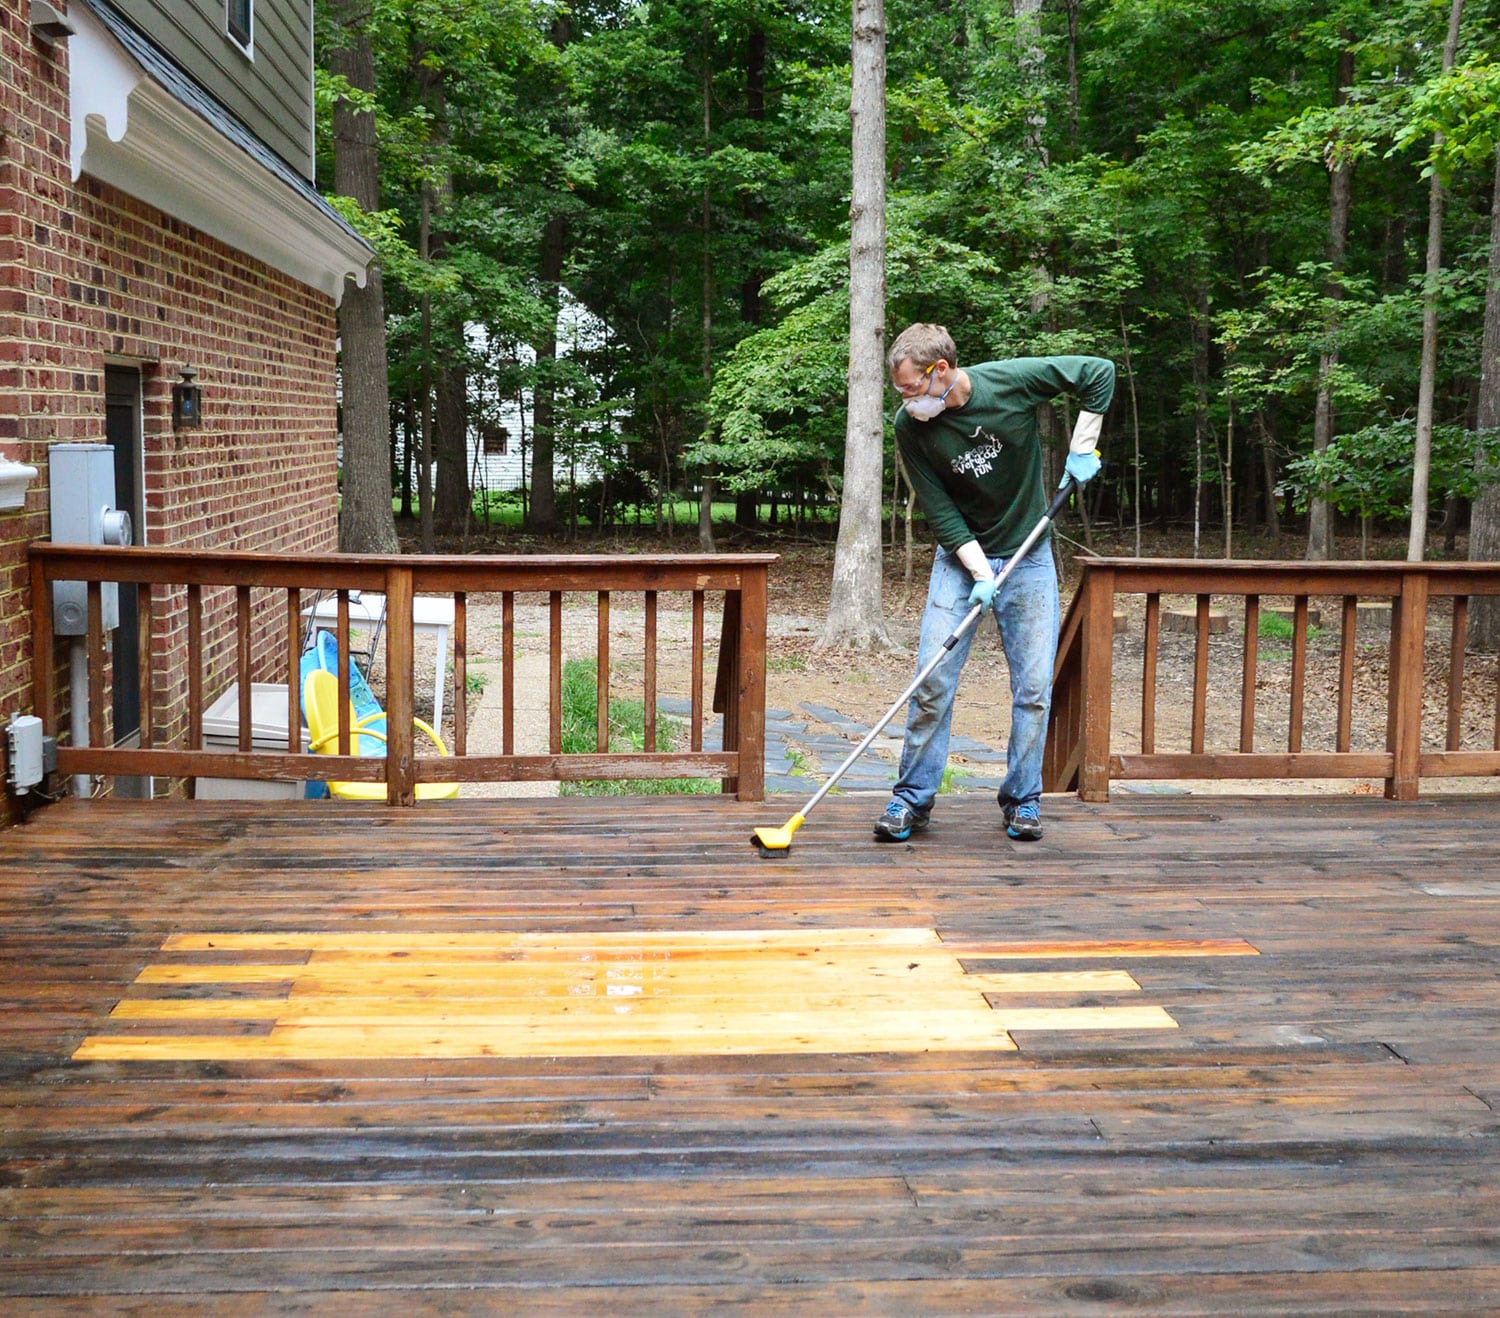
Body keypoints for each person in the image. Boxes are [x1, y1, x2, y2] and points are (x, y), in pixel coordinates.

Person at [874, 323, 1114, 844]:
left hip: (1029, 558)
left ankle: (1023, 801)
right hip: (960, 560)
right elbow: (940, 512)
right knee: (932, 680)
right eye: (900, 391)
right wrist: (981, 572)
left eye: (911, 388)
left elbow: (1099, 372)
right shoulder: (909, 428)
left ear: (941, 371)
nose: (906, 400)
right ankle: (911, 800)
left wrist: (1082, 445)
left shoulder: (1008, 383)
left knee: (1032, 689)